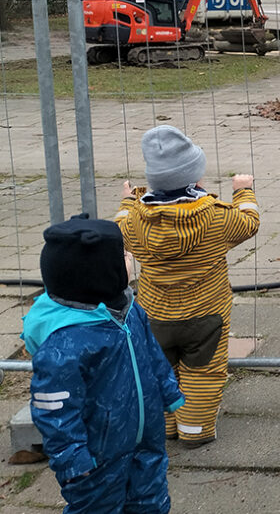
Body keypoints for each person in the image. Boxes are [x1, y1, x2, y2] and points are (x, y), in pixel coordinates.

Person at [22, 215, 184, 514]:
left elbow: (150, 352)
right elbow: (53, 408)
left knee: (151, 500)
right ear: (96, 273)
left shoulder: (129, 309)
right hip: (96, 457)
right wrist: (72, 458)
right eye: (122, 254)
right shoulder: (66, 342)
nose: (130, 256)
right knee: (98, 508)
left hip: (146, 439)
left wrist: (168, 389)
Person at [115, 124, 259, 448]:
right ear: (195, 179)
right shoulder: (215, 217)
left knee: (160, 368)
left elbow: (119, 229)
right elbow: (250, 223)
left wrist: (127, 200)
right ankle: (195, 429)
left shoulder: (136, 219)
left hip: (155, 314)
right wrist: (244, 191)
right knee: (203, 372)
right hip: (206, 314)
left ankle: (166, 425)